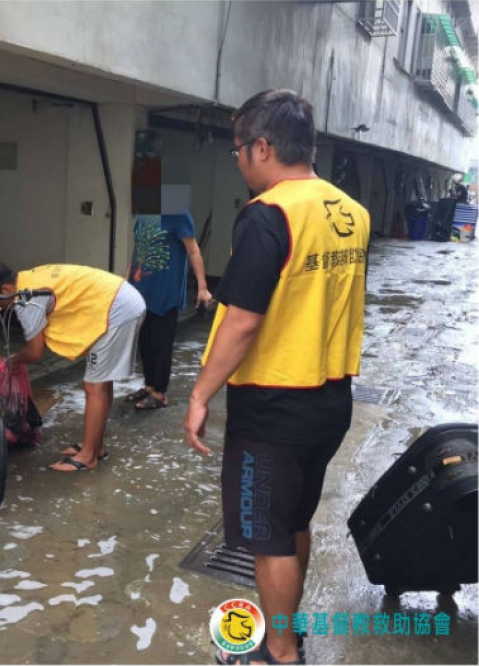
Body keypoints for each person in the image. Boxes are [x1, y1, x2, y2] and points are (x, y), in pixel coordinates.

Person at [182, 90, 370, 665]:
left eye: (238, 149)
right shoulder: (351, 212)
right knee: (292, 524)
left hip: (273, 408)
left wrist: (200, 394)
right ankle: (286, 631)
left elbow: (242, 321)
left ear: (262, 147)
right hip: (330, 400)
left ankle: (280, 652)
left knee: (268, 537)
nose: (238, 160)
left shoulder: (268, 214)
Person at [0, 263, 145, 473]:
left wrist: (14, 361)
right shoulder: (29, 277)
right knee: (101, 382)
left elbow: (35, 351)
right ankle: (95, 446)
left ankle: (88, 456)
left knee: (94, 387)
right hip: (121, 300)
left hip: (119, 310)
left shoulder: (27, 299)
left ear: (6, 289)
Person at [126, 212, 212, 410]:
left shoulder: (179, 215)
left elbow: (193, 251)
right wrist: (126, 281)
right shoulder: (144, 215)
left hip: (165, 293)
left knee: (161, 344)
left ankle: (160, 393)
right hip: (141, 291)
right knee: (145, 342)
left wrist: (202, 287)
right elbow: (137, 251)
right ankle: (149, 386)